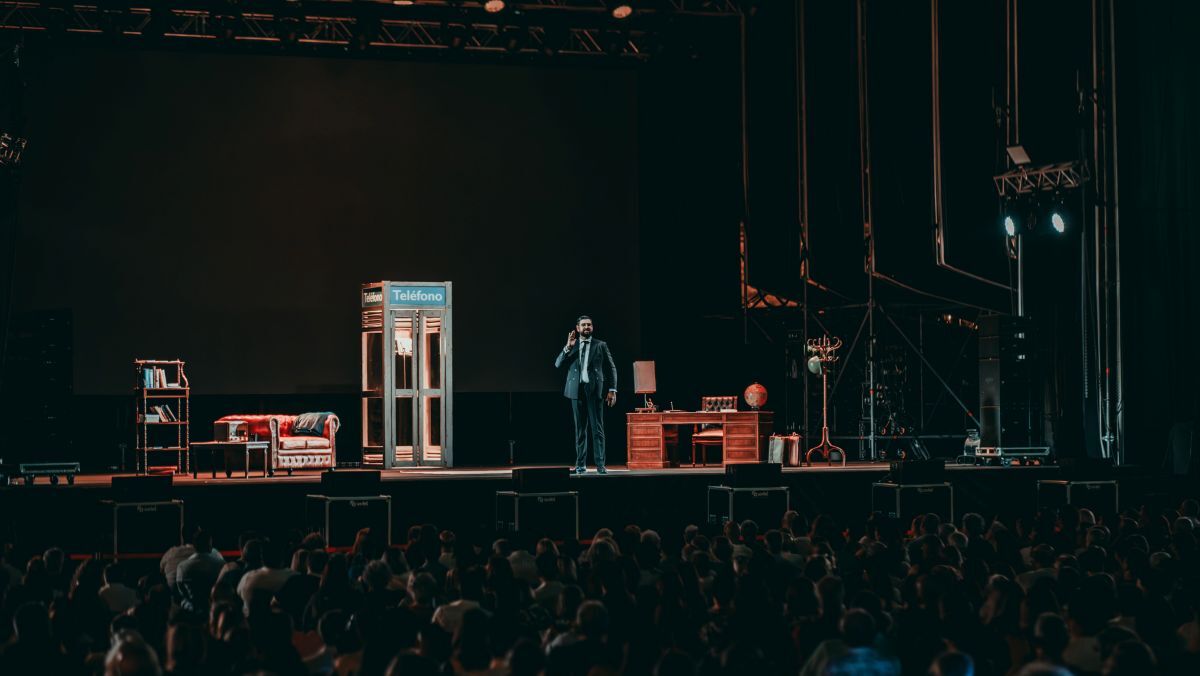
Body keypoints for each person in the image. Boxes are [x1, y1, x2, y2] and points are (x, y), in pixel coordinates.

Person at [554, 315, 617, 474]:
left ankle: (600, 465)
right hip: (576, 392)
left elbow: (611, 368)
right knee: (580, 430)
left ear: (592, 327)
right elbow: (557, 364)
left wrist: (612, 390)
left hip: (595, 392)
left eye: (589, 325)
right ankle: (580, 465)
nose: (587, 327)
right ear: (578, 328)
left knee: (597, 429)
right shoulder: (572, 346)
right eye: (583, 325)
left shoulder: (600, 345)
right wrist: (568, 347)